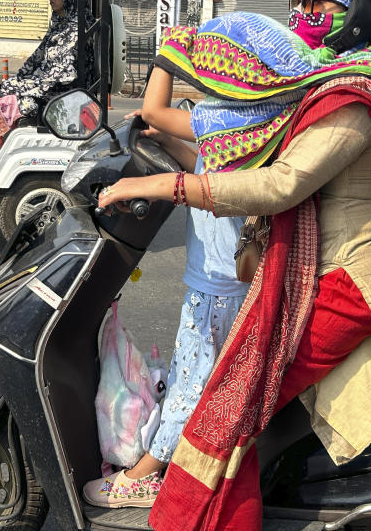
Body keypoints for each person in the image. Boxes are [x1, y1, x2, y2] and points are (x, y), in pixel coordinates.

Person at [96, 0, 371, 531]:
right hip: (315, 271)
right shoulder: (322, 84)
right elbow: (242, 151)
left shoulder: (356, 97)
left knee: (230, 402)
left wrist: (160, 185)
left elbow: (280, 186)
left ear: (360, 12)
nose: (305, 10)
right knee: (233, 402)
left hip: (346, 279)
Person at [81, 64, 251, 509]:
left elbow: (152, 112)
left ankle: (145, 476)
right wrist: (169, 142)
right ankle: (165, 458)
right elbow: (209, 165)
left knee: (193, 384)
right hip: (216, 280)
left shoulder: (235, 117)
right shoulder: (244, 119)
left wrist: (166, 58)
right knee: (186, 375)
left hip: (219, 285)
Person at [0, 0, 96, 158]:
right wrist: (15, 82)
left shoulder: (76, 31)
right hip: (38, 89)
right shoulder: (60, 25)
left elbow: (58, 77)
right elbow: (35, 60)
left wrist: (18, 87)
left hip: (53, 97)